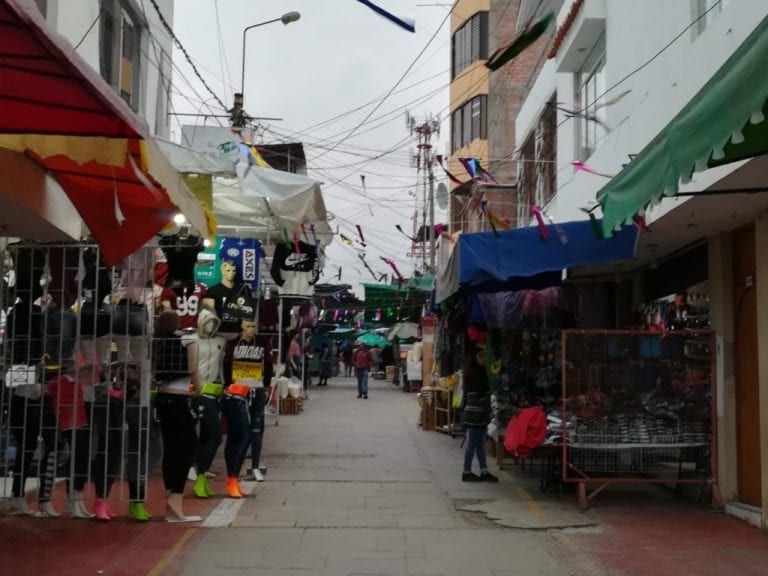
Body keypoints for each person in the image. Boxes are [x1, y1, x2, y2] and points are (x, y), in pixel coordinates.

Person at [153, 310, 203, 521]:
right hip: (179, 398)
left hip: (161, 398)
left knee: (171, 447)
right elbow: (193, 369)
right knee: (188, 446)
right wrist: (199, 389)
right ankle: (176, 499)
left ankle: (169, 493)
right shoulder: (186, 342)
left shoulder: (156, 343)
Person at [230, 318, 272, 483]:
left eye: (254, 326)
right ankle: (236, 467)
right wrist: (228, 385)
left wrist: (267, 386)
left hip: (257, 388)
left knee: (256, 430)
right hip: (238, 390)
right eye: (248, 326)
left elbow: (268, 363)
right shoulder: (233, 343)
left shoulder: (262, 343)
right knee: (238, 429)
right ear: (241, 327)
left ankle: (255, 465)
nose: (251, 329)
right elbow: (227, 363)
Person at [461, 345, 498, 483]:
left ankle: (483, 470)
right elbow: (480, 394)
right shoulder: (477, 374)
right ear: (474, 358)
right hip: (476, 414)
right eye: (480, 356)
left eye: (484, 356)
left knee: (479, 444)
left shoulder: (472, 372)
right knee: (473, 443)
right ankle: (467, 471)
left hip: (477, 413)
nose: (483, 358)